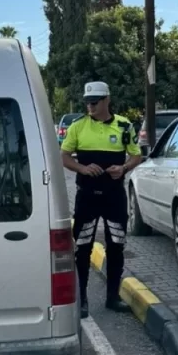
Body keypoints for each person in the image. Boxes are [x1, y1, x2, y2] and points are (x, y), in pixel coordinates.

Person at [60, 81, 144, 318]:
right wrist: (83, 169)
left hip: (114, 197)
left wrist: (124, 167)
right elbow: (64, 157)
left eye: (95, 101)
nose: (90, 106)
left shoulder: (124, 126)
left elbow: (137, 155)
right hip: (87, 197)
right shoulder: (77, 127)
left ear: (107, 99)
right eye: (87, 101)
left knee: (116, 246)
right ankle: (83, 300)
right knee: (82, 248)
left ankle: (112, 297)